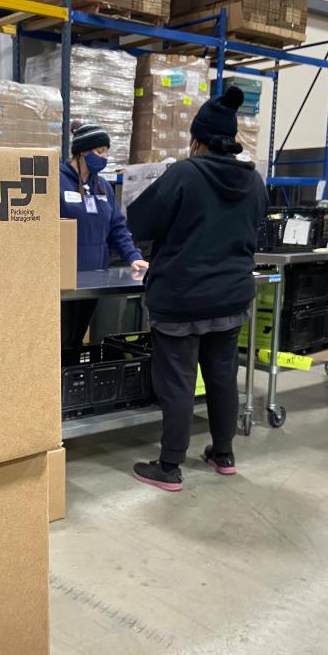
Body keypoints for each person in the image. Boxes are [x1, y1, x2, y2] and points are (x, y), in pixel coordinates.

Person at [126, 86, 267, 491]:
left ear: (198, 140)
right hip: (231, 297)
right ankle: (223, 453)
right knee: (223, 377)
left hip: (182, 299)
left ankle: (169, 465)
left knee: (178, 382)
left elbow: (140, 223)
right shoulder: (254, 181)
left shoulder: (184, 174)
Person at [60, 122, 149, 348]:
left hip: (94, 279)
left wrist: (133, 256)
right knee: (60, 338)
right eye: (99, 151)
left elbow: (117, 227)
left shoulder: (103, 187)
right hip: (64, 279)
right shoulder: (57, 181)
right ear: (82, 151)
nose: (104, 157)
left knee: (76, 337)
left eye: (106, 152)